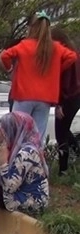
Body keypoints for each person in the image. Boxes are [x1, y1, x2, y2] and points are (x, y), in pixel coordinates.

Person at [0, 12, 77, 143]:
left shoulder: (24, 45)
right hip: (45, 99)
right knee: (37, 137)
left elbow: (4, 57)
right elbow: (72, 57)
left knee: (17, 135)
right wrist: (57, 69)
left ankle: (16, 161)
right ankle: (34, 161)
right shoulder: (55, 47)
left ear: (32, 28)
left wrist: (10, 69)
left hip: (23, 96)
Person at [52, 28, 80, 176]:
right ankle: (77, 151)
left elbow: (65, 83)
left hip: (68, 98)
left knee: (60, 133)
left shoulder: (67, 57)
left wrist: (59, 103)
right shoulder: (75, 53)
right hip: (76, 97)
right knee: (65, 130)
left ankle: (63, 170)